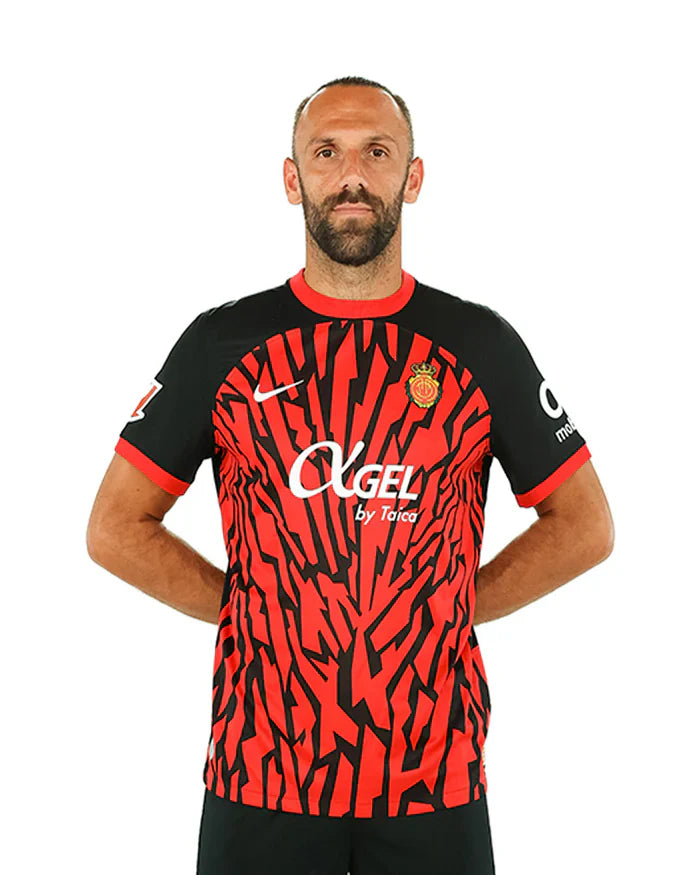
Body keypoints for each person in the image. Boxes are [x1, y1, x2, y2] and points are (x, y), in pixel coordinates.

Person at [87, 75, 614, 875]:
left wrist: (444, 610)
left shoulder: (479, 345)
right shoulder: (222, 344)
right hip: (261, 767)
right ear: (292, 177)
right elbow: (115, 527)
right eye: (327, 153)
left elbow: (585, 525)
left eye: (378, 152)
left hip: (432, 773)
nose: (352, 176)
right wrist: (251, 610)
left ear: (414, 176)